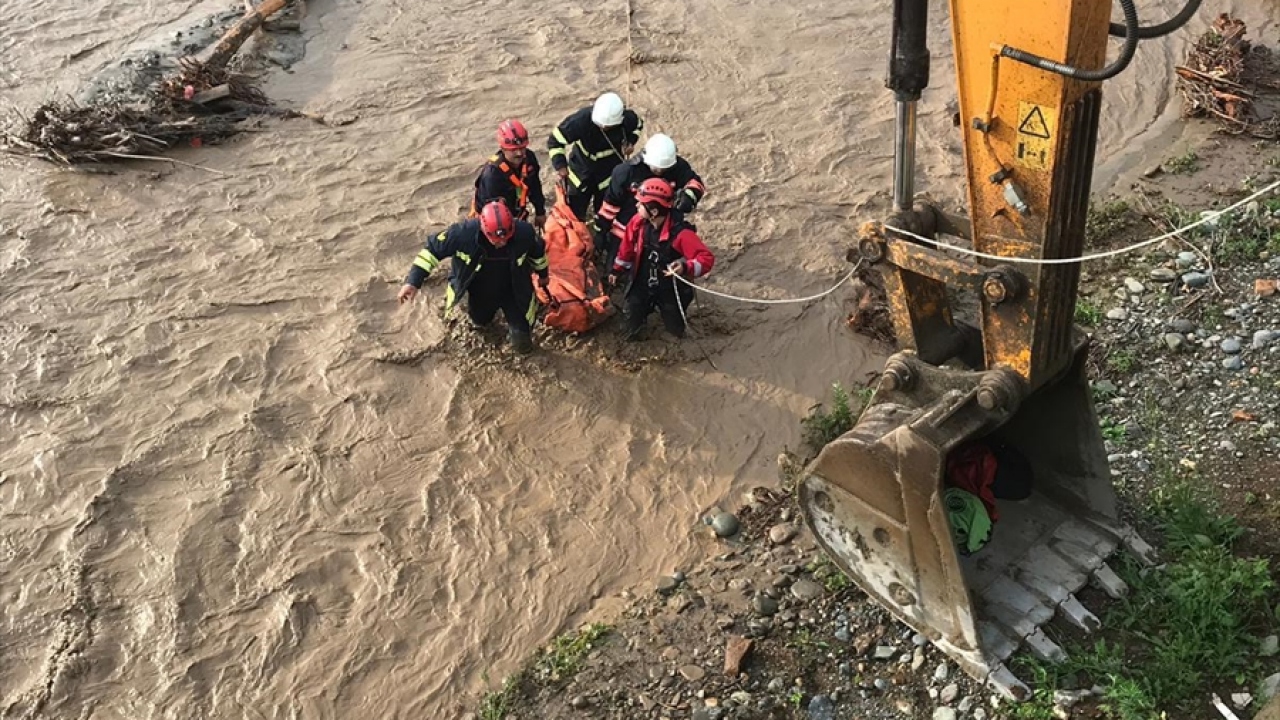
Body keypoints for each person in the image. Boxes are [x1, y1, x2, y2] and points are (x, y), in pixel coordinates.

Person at [398, 201, 550, 354]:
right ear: (484, 230)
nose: (502, 243)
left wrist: (543, 275)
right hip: (479, 290)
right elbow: (431, 251)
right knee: (481, 325)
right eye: (497, 240)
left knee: (522, 341)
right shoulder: (462, 234)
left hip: (514, 289)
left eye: (506, 238)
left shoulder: (525, 233)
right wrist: (413, 282)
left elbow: (538, 255)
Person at [608, 178, 715, 340]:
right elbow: (626, 247)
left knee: (675, 330)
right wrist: (617, 270)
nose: (636, 206)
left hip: (670, 289)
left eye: (641, 203)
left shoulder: (682, 234)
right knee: (630, 327)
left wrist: (685, 266)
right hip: (642, 283)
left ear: (654, 212)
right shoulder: (638, 222)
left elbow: (706, 258)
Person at [594, 133, 705, 263]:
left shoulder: (678, 167)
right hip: (626, 230)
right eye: (657, 168)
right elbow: (610, 204)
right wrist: (600, 232)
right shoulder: (626, 173)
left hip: (663, 231)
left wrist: (689, 196)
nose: (660, 172)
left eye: (664, 169)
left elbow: (696, 183)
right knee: (617, 264)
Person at [547, 92, 644, 224]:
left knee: (605, 210)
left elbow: (638, 126)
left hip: (608, 174)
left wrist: (631, 141)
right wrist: (560, 165)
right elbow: (555, 141)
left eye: (607, 126)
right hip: (581, 173)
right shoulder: (581, 120)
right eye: (601, 124)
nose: (603, 127)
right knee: (574, 212)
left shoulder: (627, 119)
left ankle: (600, 228)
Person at [472, 119, 547, 231]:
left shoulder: (529, 159)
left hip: (516, 211)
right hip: (492, 221)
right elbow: (492, 213)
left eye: (522, 148)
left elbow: (535, 186)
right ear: (503, 148)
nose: (519, 153)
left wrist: (540, 212)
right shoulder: (492, 175)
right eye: (514, 150)